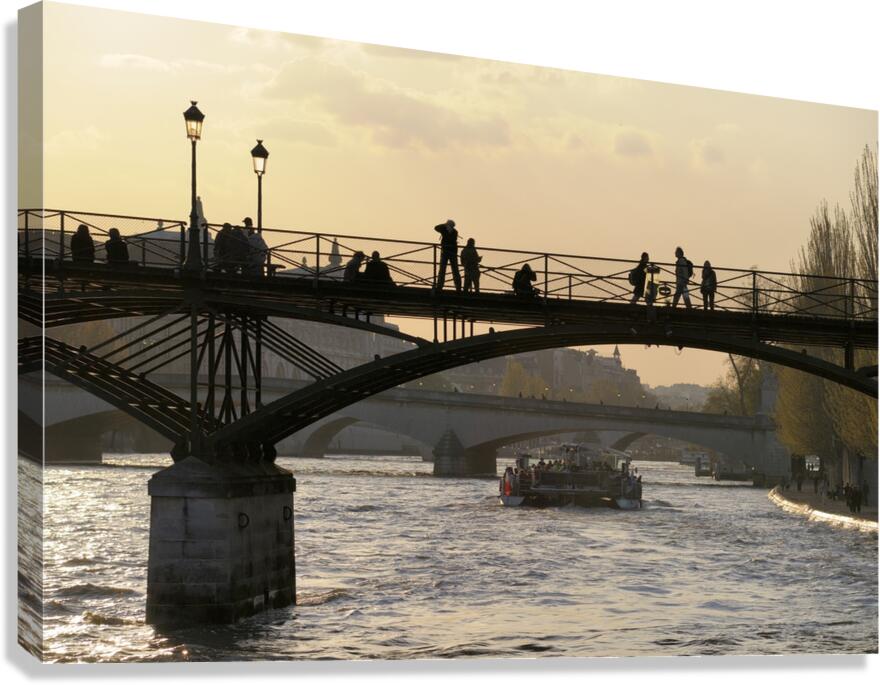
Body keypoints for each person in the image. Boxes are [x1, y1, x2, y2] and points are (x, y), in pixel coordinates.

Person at [434, 219, 461, 292]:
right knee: (455, 270)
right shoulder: (455, 232)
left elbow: (436, 228)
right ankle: (458, 287)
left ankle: (440, 286)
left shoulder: (444, 230)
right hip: (452, 252)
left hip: (446, 252)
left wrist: (444, 225)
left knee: (442, 270)